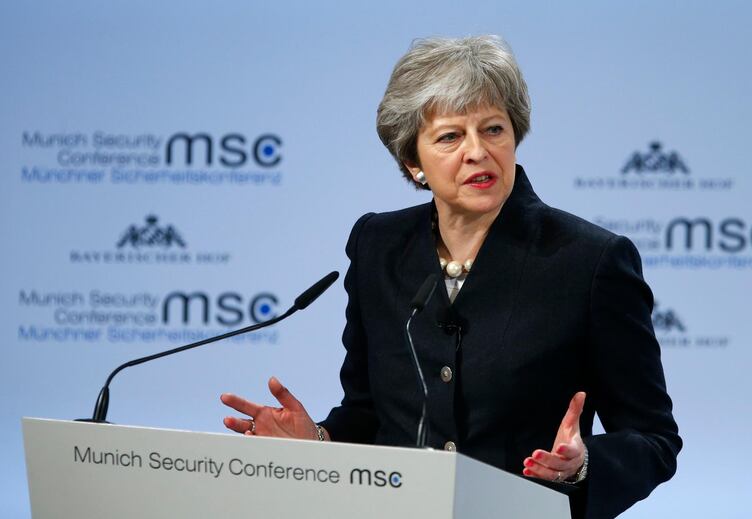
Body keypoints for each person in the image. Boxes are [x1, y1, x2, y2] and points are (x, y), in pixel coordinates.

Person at [221, 35, 681, 519]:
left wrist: (583, 465)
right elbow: (371, 411)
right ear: (413, 163)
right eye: (450, 137)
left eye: (493, 129)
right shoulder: (377, 246)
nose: (478, 151)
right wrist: (317, 440)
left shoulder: (590, 262)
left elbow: (654, 439)